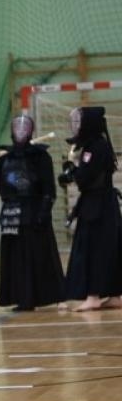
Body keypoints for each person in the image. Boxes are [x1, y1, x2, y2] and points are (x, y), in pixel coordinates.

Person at [0, 113, 63, 311]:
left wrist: (43, 212)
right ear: (12, 131)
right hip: (11, 214)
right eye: (17, 127)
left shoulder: (41, 157)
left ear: (31, 131)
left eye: (25, 127)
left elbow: (49, 189)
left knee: (38, 254)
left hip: (33, 211)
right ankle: (22, 298)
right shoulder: (3, 160)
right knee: (15, 257)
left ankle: (52, 295)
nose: (21, 130)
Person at [60, 106, 122, 311]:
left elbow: (86, 179)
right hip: (101, 205)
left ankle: (94, 295)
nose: (76, 126)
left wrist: (72, 172)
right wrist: (72, 173)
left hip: (98, 206)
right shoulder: (95, 146)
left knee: (93, 249)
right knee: (107, 249)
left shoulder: (95, 147)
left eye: (80, 122)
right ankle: (115, 294)